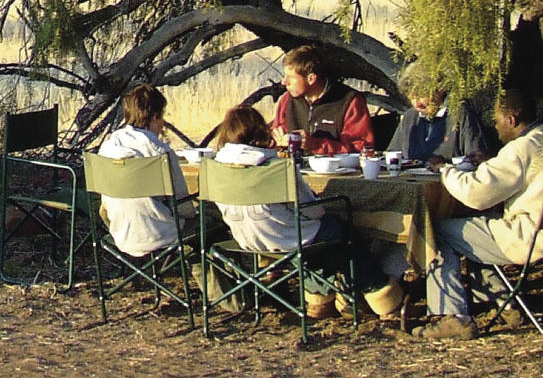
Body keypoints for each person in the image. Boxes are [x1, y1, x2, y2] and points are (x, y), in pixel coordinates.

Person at [413, 88, 543, 341]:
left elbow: (476, 193)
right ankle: (503, 300)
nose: (495, 126)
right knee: (474, 229)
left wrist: (444, 169)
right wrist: (493, 160)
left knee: (437, 229)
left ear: (511, 120)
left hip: (530, 238)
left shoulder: (521, 148)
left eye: (497, 120)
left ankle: (454, 317)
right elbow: (519, 172)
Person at [209, 105, 362, 318]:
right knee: (343, 233)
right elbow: (314, 212)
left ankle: (320, 299)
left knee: (314, 242)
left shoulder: (216, 166)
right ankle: (376, 296)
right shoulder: (278, 166)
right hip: (288, 237)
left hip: (245, 238)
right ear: (262, 131)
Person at [96, 85, 190, 260]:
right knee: (209, 223)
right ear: (155, 117)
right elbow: (183, 205)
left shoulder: (107, 147)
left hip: (120, 233)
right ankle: (208, 274)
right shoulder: (160, 152)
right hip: (162, 234)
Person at [273, 45, 375, 156]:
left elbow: (360, 149)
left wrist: (316, 145)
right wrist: (276, 140)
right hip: (292, 165)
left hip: (338, 167)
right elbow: (276, 134)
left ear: (311, 79)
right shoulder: (287, 100)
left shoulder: (349, 101)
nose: (284, 82)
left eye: (290, 77)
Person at [387, 68, 493, 164]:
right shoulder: (410, 117)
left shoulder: (460, 114)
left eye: (421, 96)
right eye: (412, 98)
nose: (417, 104)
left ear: (440, 91)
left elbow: (477, 159)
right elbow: (393, 155)